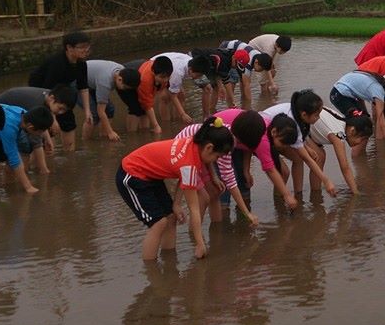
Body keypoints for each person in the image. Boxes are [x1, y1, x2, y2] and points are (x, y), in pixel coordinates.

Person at [116, 117, 233, 261]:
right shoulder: (189, 164)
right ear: (208, 147)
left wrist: (176, 204)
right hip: (131, 174)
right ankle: (152, 272)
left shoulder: (194, 144)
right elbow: (194, 209)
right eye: (217, 157)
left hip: (150, 175)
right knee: (158, 223)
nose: (215, 161)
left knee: (171, 217)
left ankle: (169, 263)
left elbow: (183, 176)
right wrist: (200, 243)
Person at [213, 108, 299, 211]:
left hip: (236, 140)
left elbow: (249, 145)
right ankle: (223, 215)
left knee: (243, 181)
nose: (283, 147)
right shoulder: (262, 139)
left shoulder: (261, 129)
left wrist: (246, 170)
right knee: (225, 183)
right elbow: (270, 169)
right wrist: (287, 195)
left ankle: (243, 217)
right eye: (283, 143)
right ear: (274, 132)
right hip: (218, 138)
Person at [175, 122, 258, 226]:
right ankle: (195, 235)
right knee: (203, 198)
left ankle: (217, 230)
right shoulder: (226, 143)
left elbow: (208, 156)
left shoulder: (226, 135)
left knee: (215, 191)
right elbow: (229, 179)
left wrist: (214, 177)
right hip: (183, 156)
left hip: (197, 153)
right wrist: (247, 213)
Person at [262, 91, 337, 197]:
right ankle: (280, 203)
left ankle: (298, 195)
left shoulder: (297, 113)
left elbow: (300, 137)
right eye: (316, 115)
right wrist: (326, 180)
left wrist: (306, 147)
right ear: (304, 114)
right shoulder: (293, 122)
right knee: (284, 172)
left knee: (298, 159)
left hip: (276, 136)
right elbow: (307, 158)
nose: (318, 118)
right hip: (263, 137)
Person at [0, 105, 54, 195]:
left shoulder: (23, 113)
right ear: (30, 127)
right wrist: (28, 187)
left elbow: (14, 157)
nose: (41, 134)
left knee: (12, 162)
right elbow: (14, 158)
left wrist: (47, 139)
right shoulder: (10, 127)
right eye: (40, 132)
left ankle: (8, 189)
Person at [28, 30, 93, 151]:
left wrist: (87, 111)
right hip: (41, 93)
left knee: (68, 120)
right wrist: (52, 119)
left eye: (87, 46)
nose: (86, 50)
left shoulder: (81, 64)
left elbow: (83, 88)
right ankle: (48, 156)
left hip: (61, 92)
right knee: (47, 127)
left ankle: (69, 154)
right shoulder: (57, 63)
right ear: (69, 47)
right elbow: (48, 94)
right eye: (81, 47)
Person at [0, 85, 78, 174]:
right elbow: (36, 139)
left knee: (27, 146)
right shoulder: (36, 105)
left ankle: (25, 170)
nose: (61, 113)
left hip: (15, 109)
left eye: (64, 110)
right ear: (52, 98)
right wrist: (44, 169)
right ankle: (17, 176)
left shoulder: (52, 96)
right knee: (22, 148)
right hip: (0, 112)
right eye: (60, 108)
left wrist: (48, 139)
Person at [330, 70, 385, 158]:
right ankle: (356, 158)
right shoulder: (379, 91)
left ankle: (359, 157)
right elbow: (382, 122)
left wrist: (365, 114)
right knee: (361, 126)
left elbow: (359, 92)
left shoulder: (382, 86)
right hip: (339, 94)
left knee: (365, 122)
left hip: (346, 93)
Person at [306, 108, 373, 195]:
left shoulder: (342, 122)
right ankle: (315, 194)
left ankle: (315, 194)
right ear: (352, 130)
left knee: (320, 156)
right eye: (362, 138)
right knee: (319, 157)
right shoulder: (338, 134)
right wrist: (355, 192)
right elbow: (345, 167)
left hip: (309, 131)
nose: (360, 143)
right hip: (302, 128)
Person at [82, 60, 142, 142]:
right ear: (120, 80)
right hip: (77, 82)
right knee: (93, 115)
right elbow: (101, 111)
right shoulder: (105, 82)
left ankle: (103, 136)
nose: (125, 90)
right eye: (125, 88)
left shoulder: (122, 70)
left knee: (110, 110)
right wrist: (110, 132)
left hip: (91, 80)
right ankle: (86, 142)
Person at [118, 57, 173, 135]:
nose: (166, 80)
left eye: (168, 77)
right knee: (135, 108)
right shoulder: (145, 80)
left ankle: (144, 132)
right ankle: (132, 135)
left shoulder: (164, 73)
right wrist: (156, 126)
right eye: (163, 77)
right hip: (126, 79)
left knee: (144, 109)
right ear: (153, 72)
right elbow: (147, 104)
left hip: (141, 70)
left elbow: (151, 99)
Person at [218, 41, 273, 109]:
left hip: (235, 50)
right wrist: (249, 106)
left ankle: (241, 104)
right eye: (261, 69)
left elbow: (244, 82)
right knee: (232, 81)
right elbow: (246, 86)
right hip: (226, 50)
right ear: (256, 63)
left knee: (242, 80)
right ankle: (231, 107)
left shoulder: (260, 57)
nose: (261, 71)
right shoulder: (248, 62)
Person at [152, 52, 202, 124]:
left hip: (171, 67)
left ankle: (177, 119)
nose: (198, 78)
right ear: (191, 70)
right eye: (197, 75)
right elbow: (173, 95)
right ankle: (166, 123)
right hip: (160, 67)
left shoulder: (193, 64)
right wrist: (183, 114)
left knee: (181, 95)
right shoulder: (178, 72)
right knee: (165, 97)